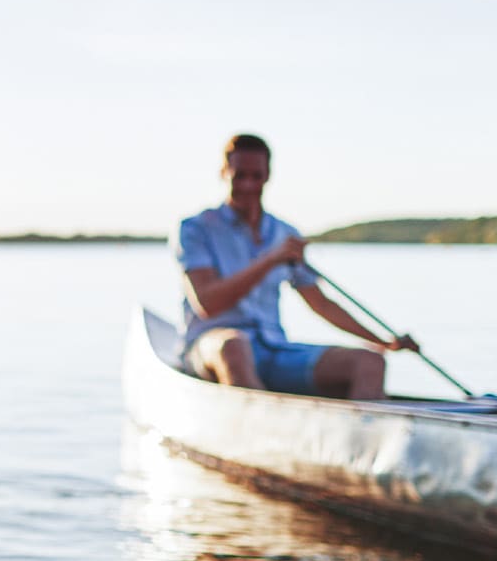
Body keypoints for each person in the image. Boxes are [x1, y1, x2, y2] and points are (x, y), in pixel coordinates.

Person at [177, 133, 417, 400]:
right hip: (212, 346)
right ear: (224, 173)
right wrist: (270, 260)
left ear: (268, 175)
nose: (247, 185)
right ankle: (261, 434)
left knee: (370, 363)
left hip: (274, 349)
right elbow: (208, 304)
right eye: (239, 176)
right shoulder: (196, 228)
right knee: (235, 346)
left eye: (256, 176)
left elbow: (321, 304)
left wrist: (382, 341)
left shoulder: (284, 233)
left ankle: (366, 438)